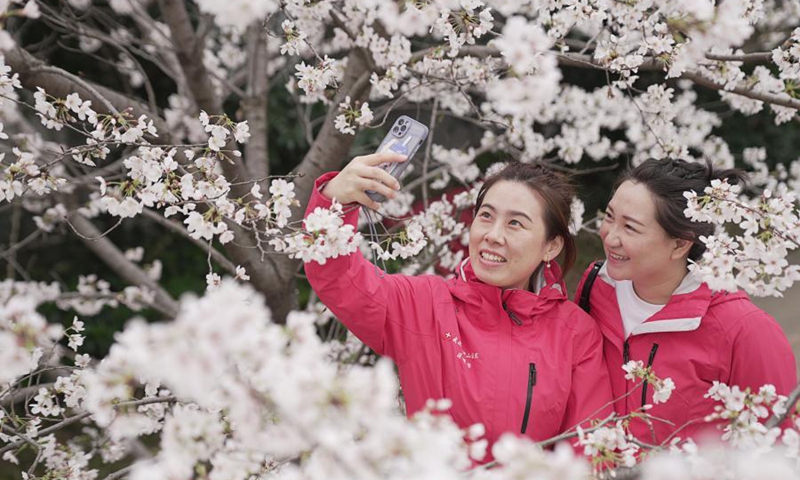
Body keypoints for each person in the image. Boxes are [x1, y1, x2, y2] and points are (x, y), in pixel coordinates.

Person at [304, 153, 613, 460]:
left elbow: (586, 451)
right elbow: (338, 278)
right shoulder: (424, 305)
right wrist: (334, 203)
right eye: (486, 216)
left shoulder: (575, 333)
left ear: (551, 246)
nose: (493, 236)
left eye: (515, 223)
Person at [575, 157, 798, 445]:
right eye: (609, 217)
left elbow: (779, 444)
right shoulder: (596, 285)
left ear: (681, 243)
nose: (610, 237)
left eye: (630, 228)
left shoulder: (745, 330)